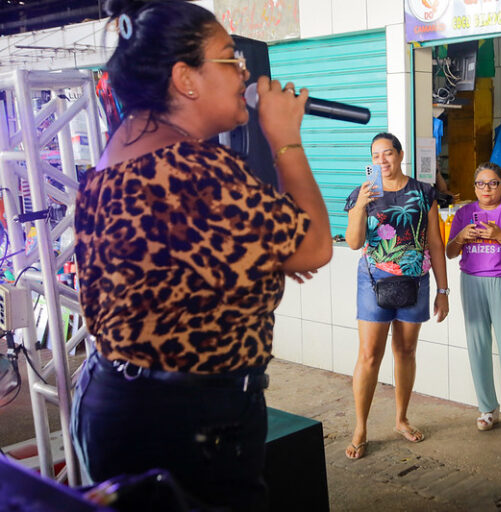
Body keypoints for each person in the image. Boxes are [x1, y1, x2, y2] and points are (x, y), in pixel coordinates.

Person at [72, 1, 332, 510]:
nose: (246, 74)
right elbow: (316, 246)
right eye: (230, 59)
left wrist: (260, 258)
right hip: (189, 421)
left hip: (116, 401)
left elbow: (169, 269)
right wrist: (285, 140)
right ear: (185, 79)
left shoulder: (116, 158)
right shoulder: (197, 168)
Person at [343, 132, 449, 460]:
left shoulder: (423, 192)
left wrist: (443, 290)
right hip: (374, 281)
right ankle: (360, 428)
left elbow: (435, 242)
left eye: (387, 154)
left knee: (405, 351)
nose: (382, 161)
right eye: (375, 156)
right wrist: (361, 205)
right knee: (369, 355)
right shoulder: (362, 194)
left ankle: (401, 418)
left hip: (415, 281)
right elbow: (353, 242)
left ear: (400, 154)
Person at [446, 162, 501, 436]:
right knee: (478, 346)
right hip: (472, 281)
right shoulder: (464, 213)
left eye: (493, 183)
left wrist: (499, 235)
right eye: (481, 183)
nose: (487, 188)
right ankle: (487, 407)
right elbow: (450, 252)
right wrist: (460, 236)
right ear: (474, 188)